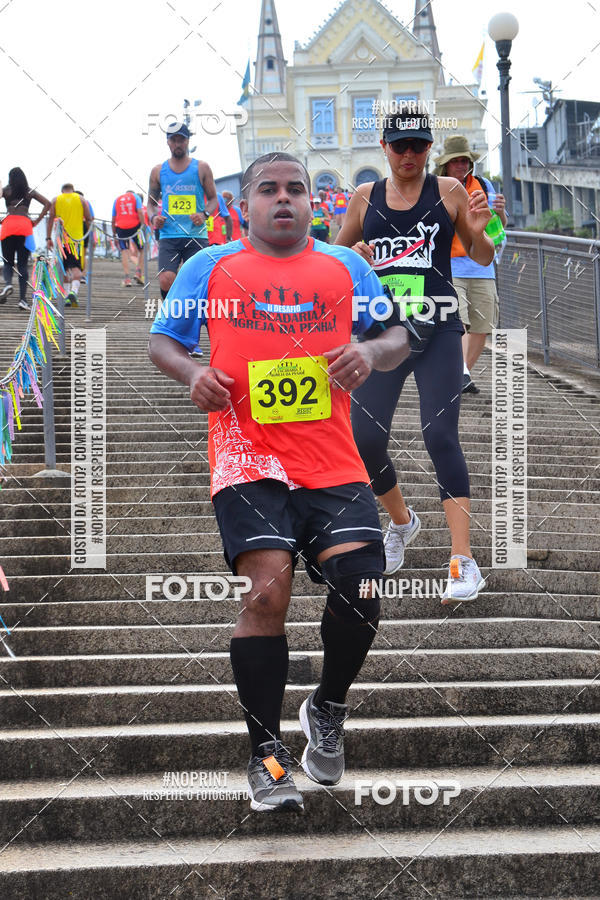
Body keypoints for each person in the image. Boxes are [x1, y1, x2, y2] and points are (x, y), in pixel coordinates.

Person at [148, 151, 408, 812]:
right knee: (267, 595)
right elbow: (163, 343)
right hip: (247, 460)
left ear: (310, 202)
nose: (285, 198)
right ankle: (267, 760)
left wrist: (368, 351)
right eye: (270, 189)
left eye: (296, 188)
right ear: (249, 203)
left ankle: (328, 706)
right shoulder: (208, 267)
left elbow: (399, 335)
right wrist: (192, 376)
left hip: (332, 461)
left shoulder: (345, 266)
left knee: (362, 589)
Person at [336, 110, 494, 602]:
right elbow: (331, 261)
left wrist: (480, 228)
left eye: (419, 146)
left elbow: (482, 255)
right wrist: (354, 259)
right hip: (383, 335)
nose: (409, 155)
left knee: (440, 433)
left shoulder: (448, 191)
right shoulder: (364, 198)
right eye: (400, 145)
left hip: (440, 329)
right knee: (364, 439)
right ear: (383, 146)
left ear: (430, 148)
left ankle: (463, 561)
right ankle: (402, 523)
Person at [434, 135, 507, 394]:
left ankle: (461, 373)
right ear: (446, 164)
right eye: (457, 161)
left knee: (482, 325)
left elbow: (498, 228)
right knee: (459, 322)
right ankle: (460, 373)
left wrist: (500, 212)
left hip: (482, 267)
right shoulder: (435, 187)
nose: (462, 165)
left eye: (465, 160)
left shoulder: (484, 185)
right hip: (449, 265)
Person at [147, 122, 220, 300]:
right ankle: (171, 314)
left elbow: (213, 199)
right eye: (174, 140)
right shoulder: (158, 171)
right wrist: (154, 217)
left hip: (196, 234)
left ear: (187, 142)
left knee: (196, 280)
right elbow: (150, 203)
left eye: (181, 140)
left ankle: (190, 315)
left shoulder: (201, 168)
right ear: (168, 142)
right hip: (168, 234)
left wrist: (204, 215)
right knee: (166, 279)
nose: (178, 144)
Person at [1, 168, 51, 310]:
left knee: (8, 262)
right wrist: (37, 221)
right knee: (22, 264)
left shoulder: (6, 190)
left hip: (8, 225)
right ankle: (22, 300)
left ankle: (8, 284)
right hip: (25, 226)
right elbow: (48, 204)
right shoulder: (30, 191)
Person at [46, 183, 92, 307]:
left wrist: (48, 237)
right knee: (77, 268)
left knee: (64, 269)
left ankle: (66, 296)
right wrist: (90, 234)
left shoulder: (56, 200)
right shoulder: (81, 199)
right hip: (76, 241)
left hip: (60, 241)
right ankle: (73, 291)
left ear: (62, 191)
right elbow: (88, 218)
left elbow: (50, 218)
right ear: (72, 190)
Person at [111, 189, 145, 286]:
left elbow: (113, 219)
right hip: (135, 227)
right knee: (142, 249)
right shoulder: (136, 197)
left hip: (120, 228)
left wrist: (114, 234)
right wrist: (142, 226)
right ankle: (138, 272)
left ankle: (127, 279)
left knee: (124, 251)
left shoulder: (117, 199)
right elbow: (140, 212)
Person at [75, 190, 94, 284]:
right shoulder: (86, 202)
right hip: (84, 226)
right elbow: (91, 217)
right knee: (83, 251)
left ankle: (73, 274)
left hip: (72, 227)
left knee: (72, 251)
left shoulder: (70, 202)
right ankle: (82, 274)